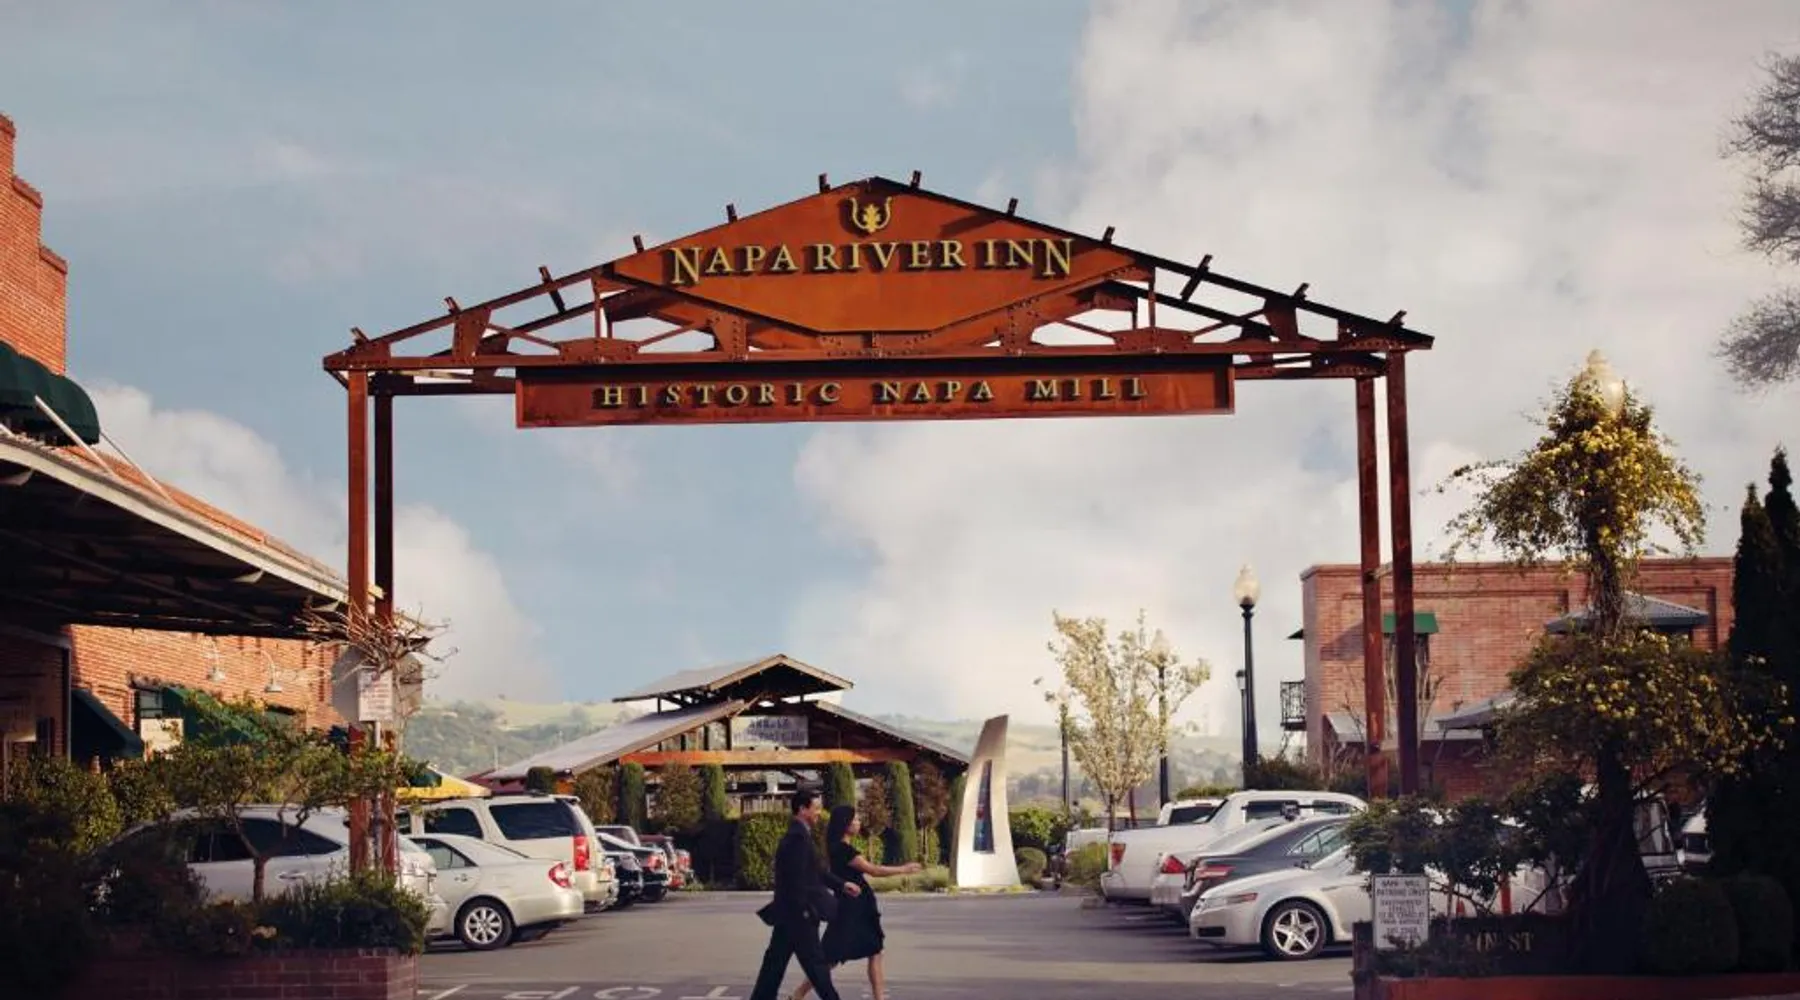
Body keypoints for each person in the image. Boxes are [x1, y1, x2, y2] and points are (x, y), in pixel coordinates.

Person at [792, 805, 923, 1000]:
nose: (858, 822)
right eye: (854, 819)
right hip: (851, 908)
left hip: (859, 907)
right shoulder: (843, 850)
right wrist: (904, 869)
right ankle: (798, 994)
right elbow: (874, 870)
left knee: (874, 951)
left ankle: (878, 997)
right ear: (845, 824)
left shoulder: (838, 847)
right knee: (831, 957)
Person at [749, 789, 861, 1000]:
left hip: (789, 915)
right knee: (816, 967)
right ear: (802, 809)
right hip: (799, 915)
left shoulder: (800, 835)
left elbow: (816, 870)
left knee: (774, 965)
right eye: (815, 808)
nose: (819, 812)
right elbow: (796, 880)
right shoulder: (797, 838)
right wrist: (805, 911)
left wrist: (841, 885)